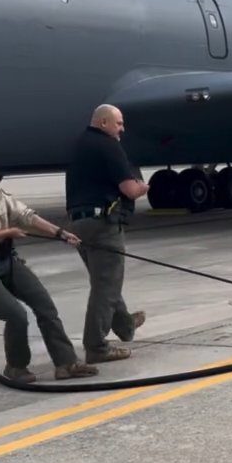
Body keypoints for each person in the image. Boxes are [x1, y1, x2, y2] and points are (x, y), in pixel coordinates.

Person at [0, 140, 99, 383]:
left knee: (45, 306)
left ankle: (67, 364)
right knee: (15, 315)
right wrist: (6, 233)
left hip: (6, 260)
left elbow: (25, 215)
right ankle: (16, 367)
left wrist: (59, 233)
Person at [65, 104, 148, 364]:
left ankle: (124, 325)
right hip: (102, 224)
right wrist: (144, 187)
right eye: (119, 123)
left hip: (79, 223)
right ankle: (96, 346)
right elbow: (129, 190)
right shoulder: (108, 146)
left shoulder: (81, 143)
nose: (122, 129)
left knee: (104, 280)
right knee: (106, 285)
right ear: (103, 123)